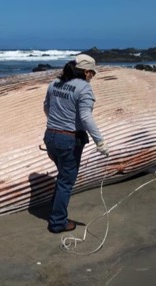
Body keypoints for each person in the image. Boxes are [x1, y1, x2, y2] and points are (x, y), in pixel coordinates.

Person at [43, 54, 108, 233]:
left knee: (62, 174)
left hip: (50, 136)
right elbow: (86, 117)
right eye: (92, 73)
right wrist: (100, 142)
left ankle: (55, 208)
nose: (92, 77)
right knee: (66, 181)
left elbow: (46, 107)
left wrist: (56, 123)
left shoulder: (54, 84)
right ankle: (58, 223)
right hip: (69, 139)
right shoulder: (84, 88)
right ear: (86, 71)